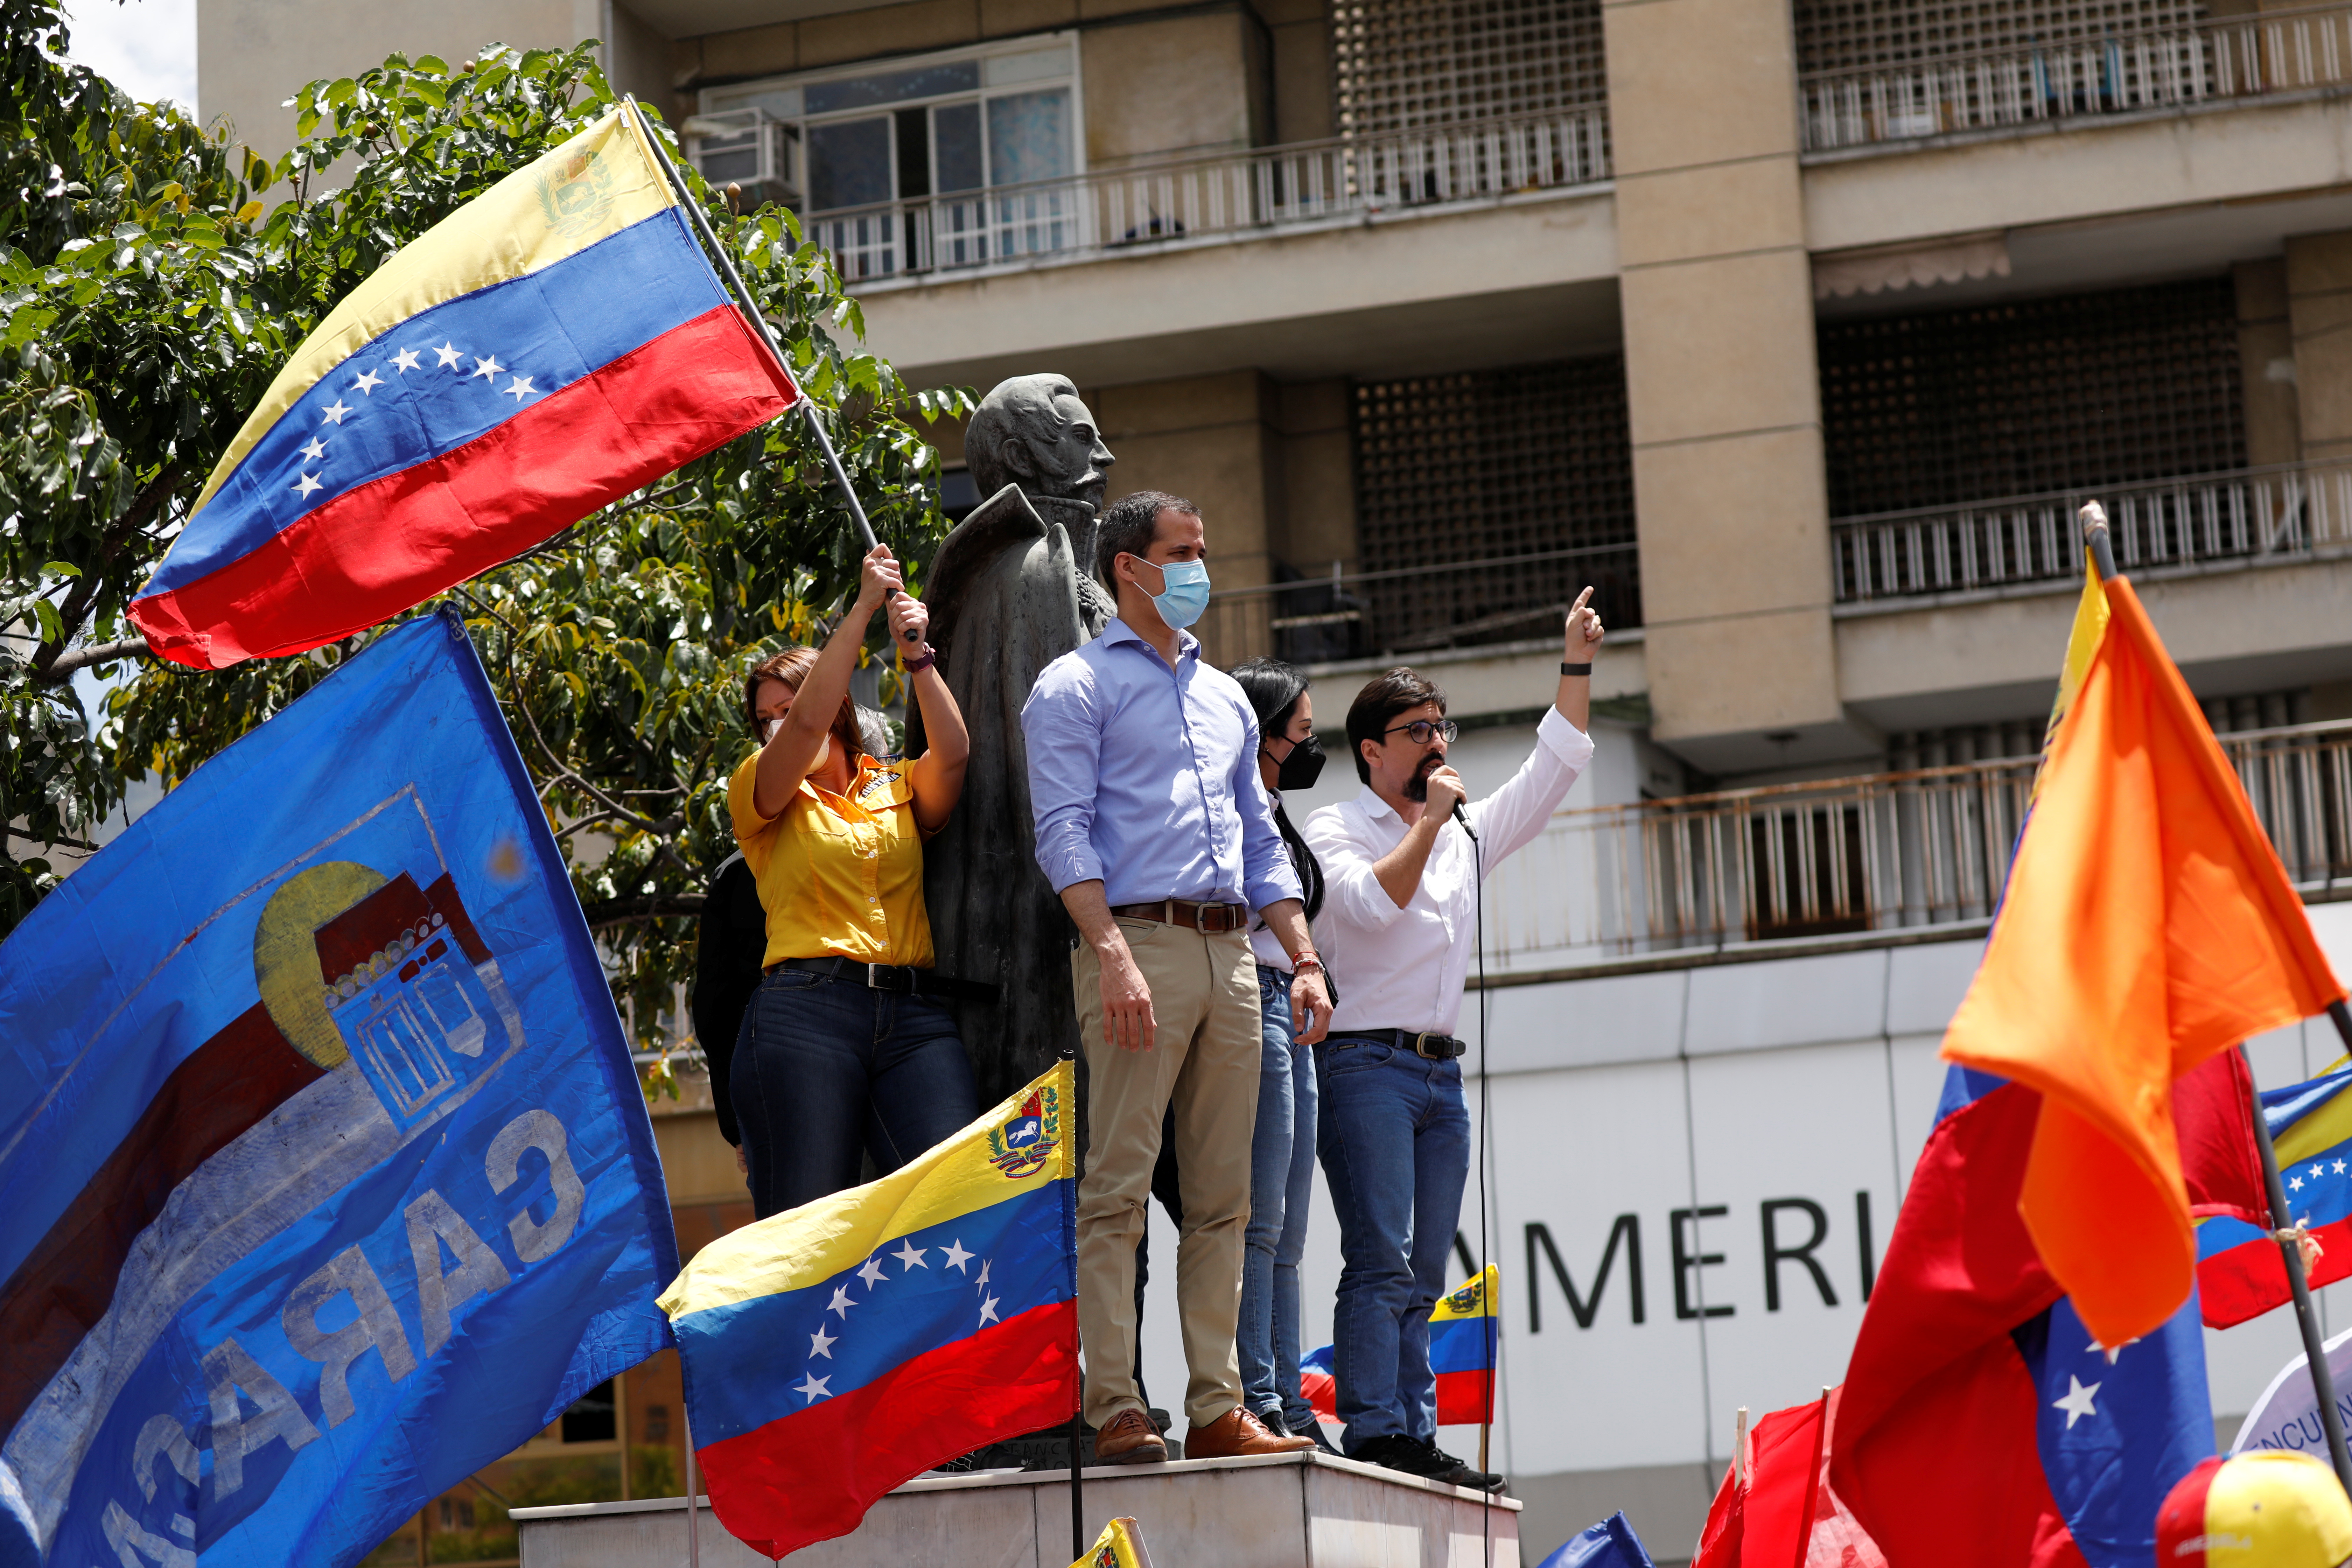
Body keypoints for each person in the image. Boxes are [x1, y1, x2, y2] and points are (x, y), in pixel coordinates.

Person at [1021, 489, 1335, 1465]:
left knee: (1225, 1199)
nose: (1202, 566)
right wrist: (1108, 950)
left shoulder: (1225, 696)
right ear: (1129, 567)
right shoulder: (1072, 686)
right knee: (1115, 1188)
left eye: (1203, 547)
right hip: (1137, 946)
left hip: (1234, 953)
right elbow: (1061, 829)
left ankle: (1216, 1407)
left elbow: (1258, 837)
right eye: (1184, 551)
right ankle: (1115, 1403)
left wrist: (1307, 956)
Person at [1305, 590, 1606, 1490]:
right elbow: (1364, 904)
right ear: (1372, 751)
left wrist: (1577, 664)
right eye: (1416, 729)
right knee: (1383, 1255)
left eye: (1443, 726)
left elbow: (1552, 771)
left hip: (1442, 1078)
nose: (1438, 742)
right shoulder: (1336, 826)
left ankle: (1415, 1429)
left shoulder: (1466, 832)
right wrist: (1428, 820)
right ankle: (1373, 1425)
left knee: (1428, 1267)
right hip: (1364, 1065)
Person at [726, 542, 983, 1217]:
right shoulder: (759, 793)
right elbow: (808, 720)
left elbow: (954, 756)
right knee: (808, 1232)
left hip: (914, 1018)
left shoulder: (891, 786)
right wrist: (867, 604)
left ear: (843, 713)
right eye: (765, 719)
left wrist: (918, 658)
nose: (777, 726)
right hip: (804, 1015)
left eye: (789, 708)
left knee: (957, 1205)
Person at [1228, 656, 1338, 1452]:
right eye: (1301, 732)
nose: (1310, 746)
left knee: (1292, 1229)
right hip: (1253, 1000)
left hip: (1290, 1009)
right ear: (1263, 735)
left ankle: (1289, 1400)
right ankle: (1258, 1395)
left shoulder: (1273, 808)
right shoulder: (1232, 809)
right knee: (1260, 1219)